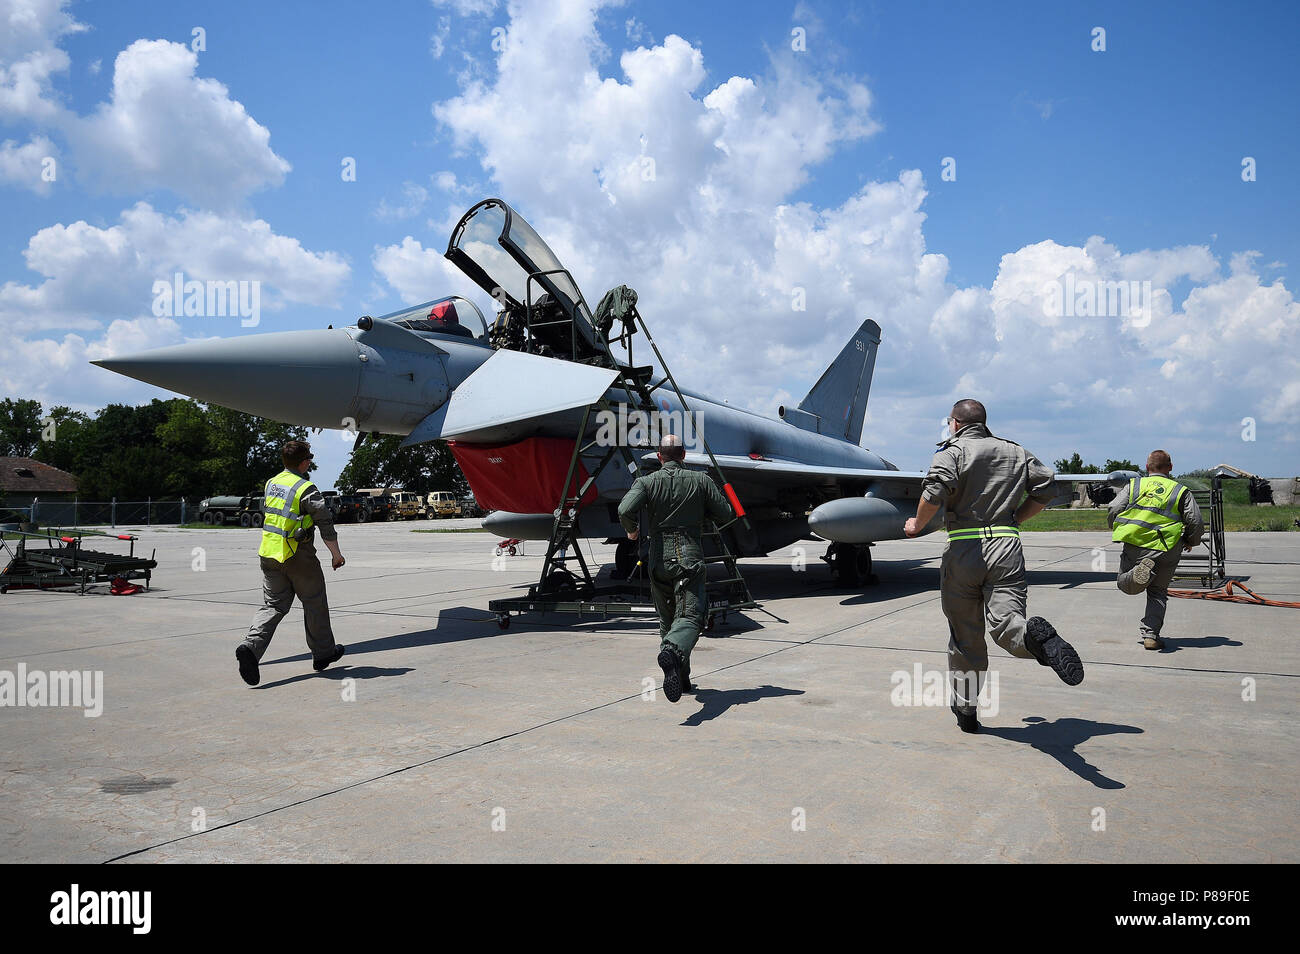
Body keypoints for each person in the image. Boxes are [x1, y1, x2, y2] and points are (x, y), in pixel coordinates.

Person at [904, 399, 1084, 734]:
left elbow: (933, 493)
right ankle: (1036, 640)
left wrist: (916, 525)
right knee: (1008, 622)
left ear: (955, 423)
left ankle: (967, 710)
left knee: (966, 638)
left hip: (965, 549)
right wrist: (1016, 518)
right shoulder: (1016, 452)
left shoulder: (952, 451)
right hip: (1007, 546)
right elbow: (1047, 490)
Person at [617, 434, 733, 703]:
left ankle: (681, 678)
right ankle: (671, 652)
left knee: (668, 619)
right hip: (688, 554)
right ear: (683, 455)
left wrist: (632, 532)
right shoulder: (701, 481)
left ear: (660, 457)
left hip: (657, 557)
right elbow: (725, 514)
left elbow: (625, 509)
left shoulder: (645, 482)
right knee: (691, 616)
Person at [236, 440, 346, 686]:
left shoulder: (271, 483)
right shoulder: (305, 488)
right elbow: (324, 521)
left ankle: (250, 648)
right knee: (314, 602)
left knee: (273, 606)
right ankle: (323, 653)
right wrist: (336, 554)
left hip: (269, 554)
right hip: (298, 555)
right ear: (305, 462)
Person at [1107, 449, 1203, 650]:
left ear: (1147, 466)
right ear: (1170, 467)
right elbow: (1195, 520)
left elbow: (1114, 508)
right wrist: (1190, 541)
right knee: (1158, 592)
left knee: (1124, 584)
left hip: (1136, 545)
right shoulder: (1180, 490)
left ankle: (1137, 574)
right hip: (1168, 548)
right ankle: (1151, 636)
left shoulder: (1134, 485)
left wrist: (1114, 525)